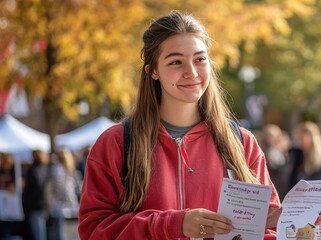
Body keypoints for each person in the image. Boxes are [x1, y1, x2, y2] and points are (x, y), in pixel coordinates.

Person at [78, 11, 281, 240]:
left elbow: (267, 230)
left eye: (199, 59)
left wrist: (293, 229)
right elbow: (93, 230)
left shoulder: (242, 142)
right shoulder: (115, 143)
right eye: (176, 62)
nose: (191, 72)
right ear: (153, 71)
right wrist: (174, 224)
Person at [287, 121, 321, 195]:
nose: (299, 141)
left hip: (319, 199)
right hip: (300, 200)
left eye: (301, 138)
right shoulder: (298, 155)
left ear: (312, 137)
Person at [46, 149, 81, 240]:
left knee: (62, 232)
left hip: (60, 205)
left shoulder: (60, 169)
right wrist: (73, 204)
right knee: (62, 233)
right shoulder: (60, 169)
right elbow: (65, 189)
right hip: (62, 205)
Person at [22, 150, 50, 240]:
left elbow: (30, 189)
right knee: (41, 233)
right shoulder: (45, 169)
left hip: (35, 206)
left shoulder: (34, 170)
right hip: (43, 205)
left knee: (38, 234)